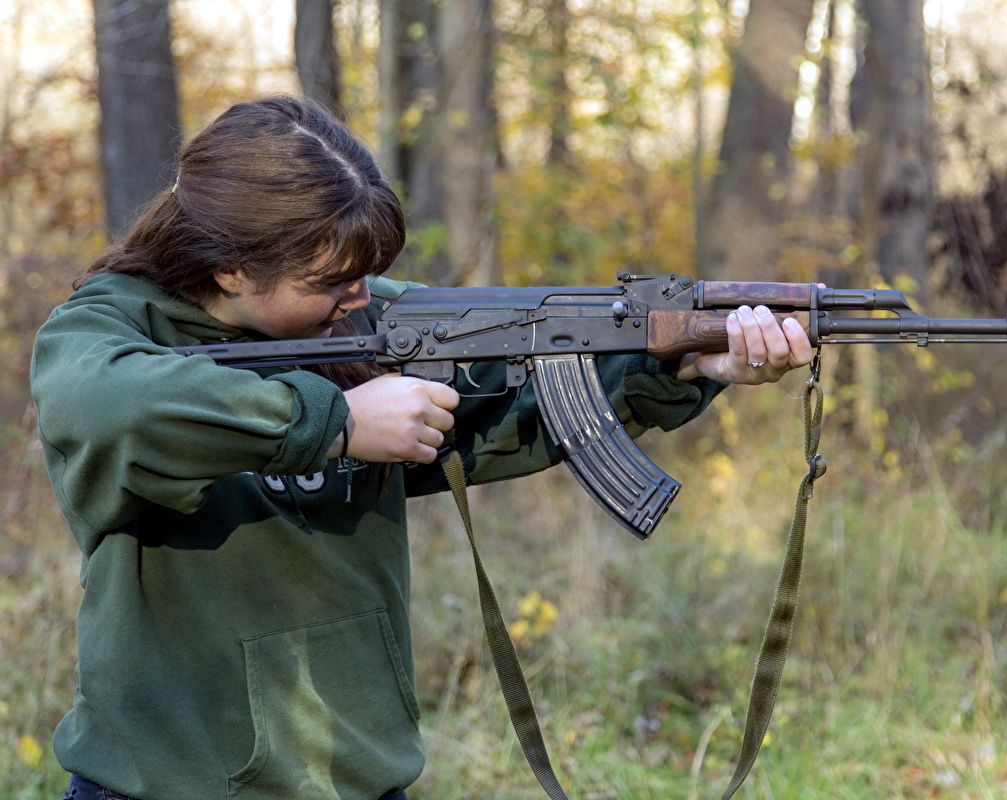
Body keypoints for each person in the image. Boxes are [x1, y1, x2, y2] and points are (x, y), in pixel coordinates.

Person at [30, 95, 813, 800]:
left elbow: (525, 406)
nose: (362, 297)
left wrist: (682, 362)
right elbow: (110, 408)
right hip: (165, 784)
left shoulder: (355, 323)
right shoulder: (105, 334)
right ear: (231, 269)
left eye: (370, 273)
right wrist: (337, 422)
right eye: (331, 278)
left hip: (356, 774)